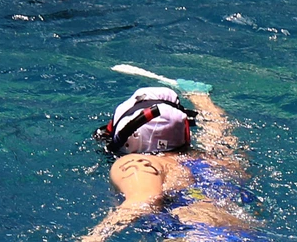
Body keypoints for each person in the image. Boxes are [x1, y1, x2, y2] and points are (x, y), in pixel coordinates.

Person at [82, 84, 262, 241]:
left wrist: (94, 237)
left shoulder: (138, 162)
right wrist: (201, 97)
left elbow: (145, 199)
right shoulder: (215, 159)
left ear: (130, 140)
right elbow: (219, 130)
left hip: (194, 235)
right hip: (249, 234)